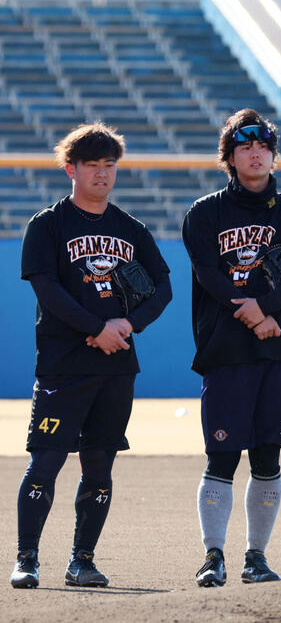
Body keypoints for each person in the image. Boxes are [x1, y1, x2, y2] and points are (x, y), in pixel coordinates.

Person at [11, 123, 172, 589]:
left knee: (99, 465)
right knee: (45, 462)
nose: (102, 174)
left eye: (109, 165)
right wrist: (96, 327)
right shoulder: (47, 225)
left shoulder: (130, 229)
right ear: (71, 169)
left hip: (116, 364)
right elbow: (47, 290)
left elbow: (162, 288)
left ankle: (83, 560)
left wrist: (129, 325)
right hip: (64, 363)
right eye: (92, 166)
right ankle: (27, 559)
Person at [182, 109, 281, 588]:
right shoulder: (204, 213)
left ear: (273, 154)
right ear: (230, 157)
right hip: (225, 348)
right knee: (222, 456)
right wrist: (253, 313)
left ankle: (255, 556)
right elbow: (208, 273)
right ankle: (213, 555)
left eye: (263, 145)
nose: (255, 153)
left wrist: (264, 309)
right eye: (244, 147)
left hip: (278, 350)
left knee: (267, 456)